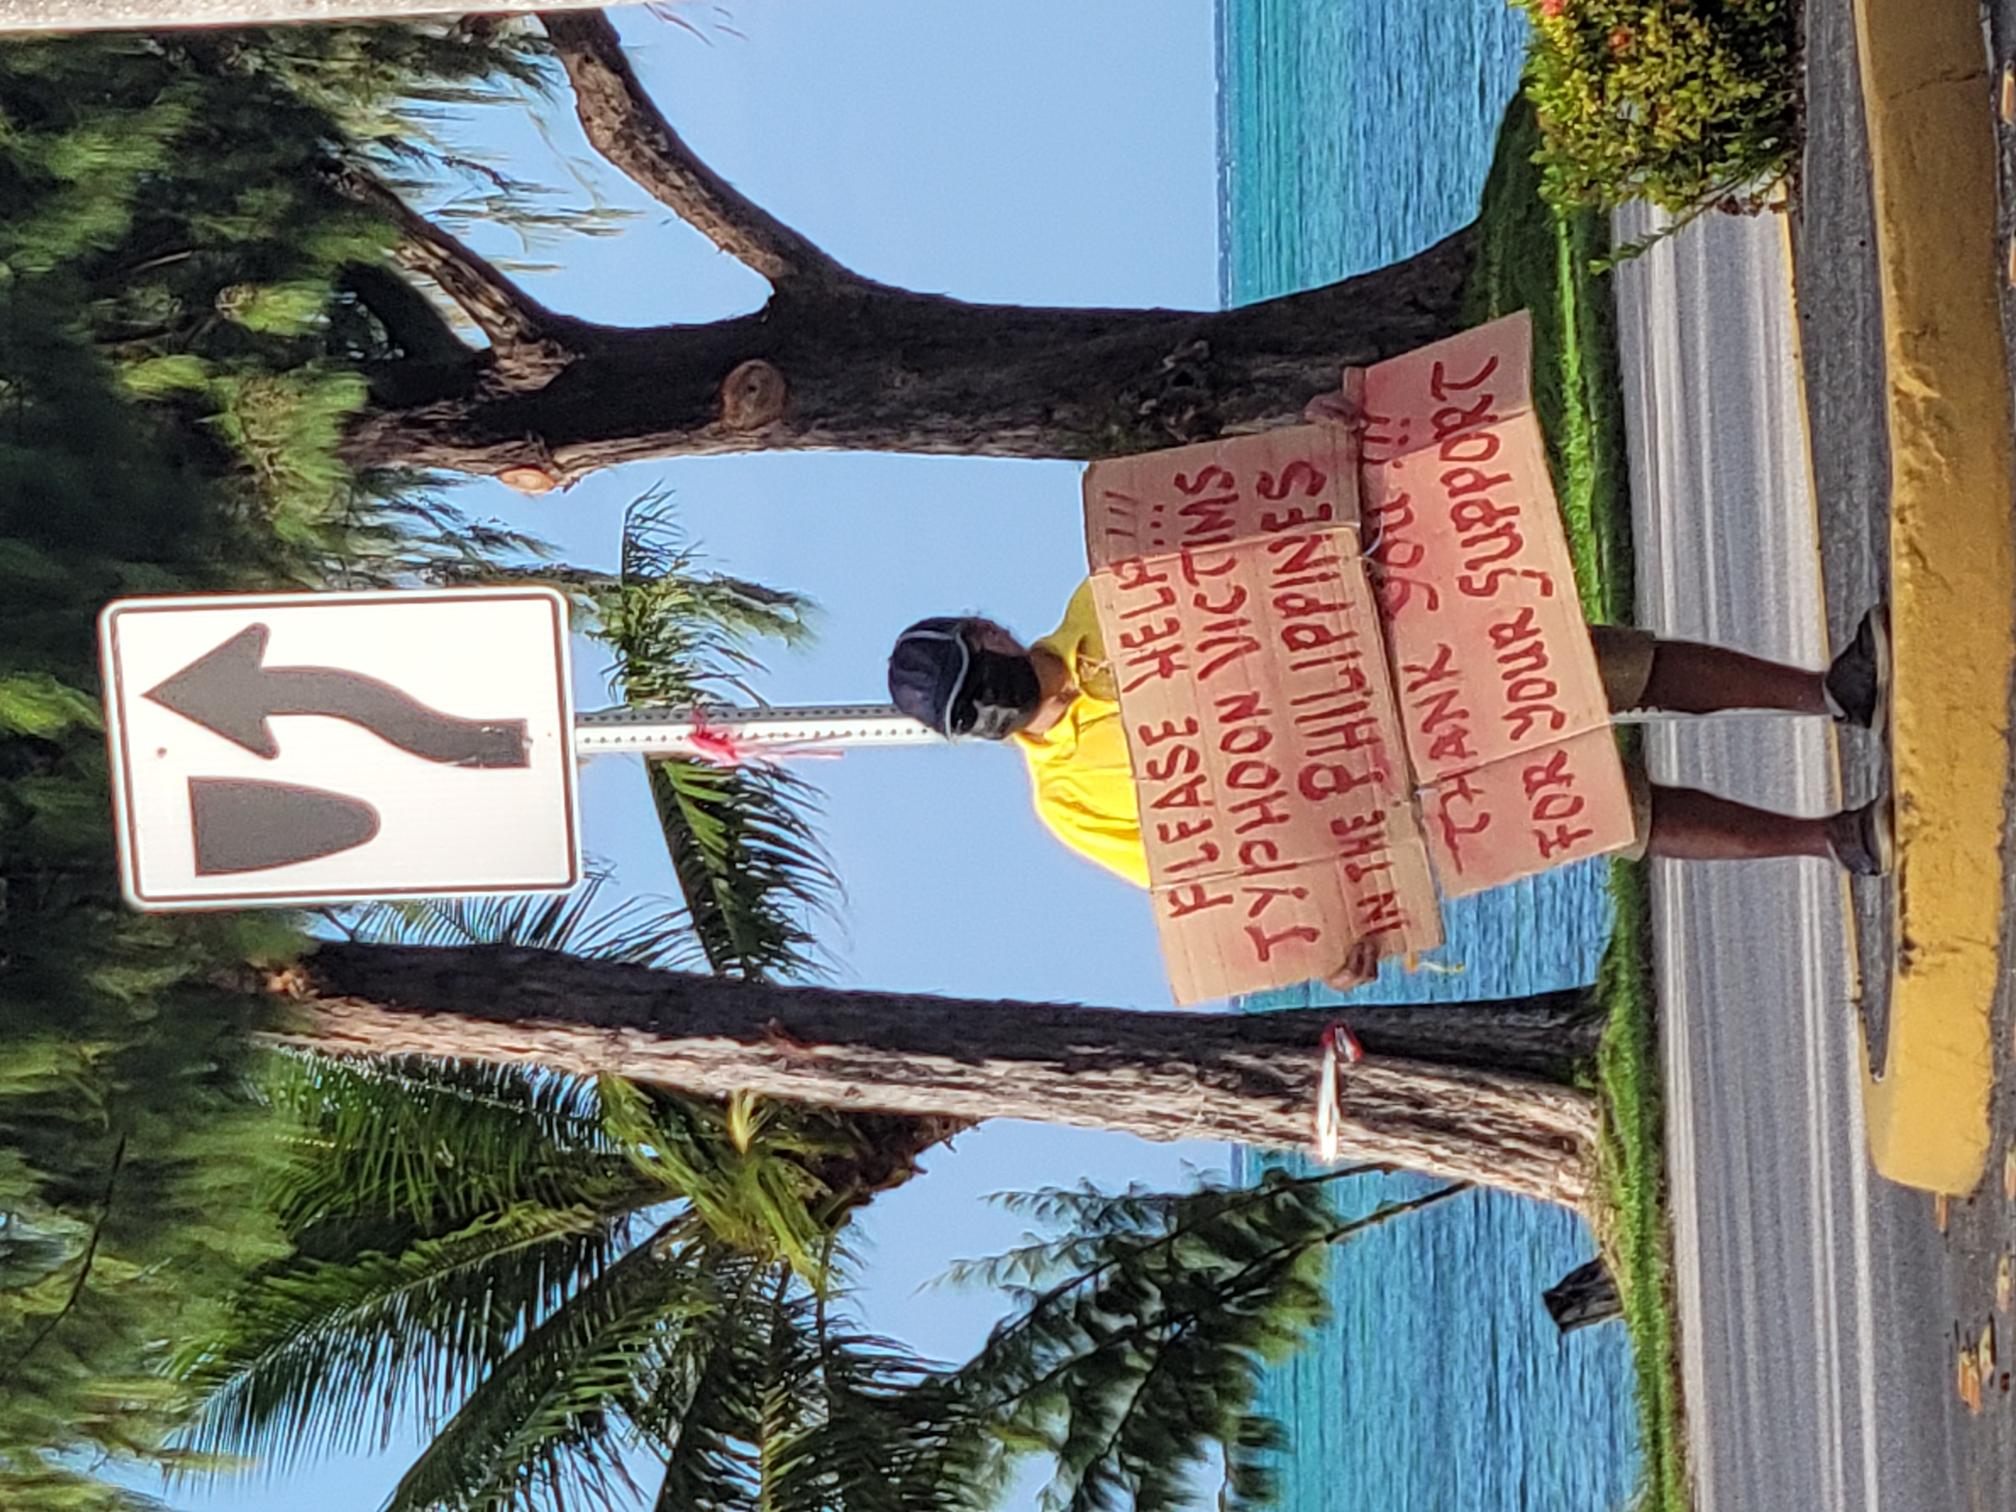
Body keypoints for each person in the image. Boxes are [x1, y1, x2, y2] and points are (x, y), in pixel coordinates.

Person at [886, 398, 1892, 890]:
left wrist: (1325, 453)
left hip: (1416, 665)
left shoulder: (1103, 610)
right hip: (1401, 770)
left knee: (1627, 685)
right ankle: (1827, 815)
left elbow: (1260, 528)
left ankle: (1832, 713)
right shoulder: (1075, 745)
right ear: (986, 631)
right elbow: (1220, 874)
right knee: (1619, 797)